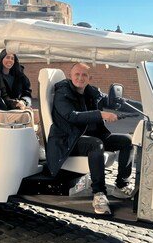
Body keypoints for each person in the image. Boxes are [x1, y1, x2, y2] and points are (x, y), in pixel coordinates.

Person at [46, 62, 135, 216]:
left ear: (90, 78)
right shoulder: (63, 93)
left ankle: (121, 186)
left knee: (127, 141)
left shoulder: (92, 92)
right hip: (68, 139)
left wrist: (144, 107)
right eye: (77, 74)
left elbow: (115, 102)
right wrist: (101, 114)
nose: (80, 78)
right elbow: (72, 116)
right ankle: (99, 194)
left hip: (91, 136)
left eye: (84, 75)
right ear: (70, 76)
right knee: (96, 144)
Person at [0, 49, 45, 159]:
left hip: (21, 107)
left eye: (12, 58)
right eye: (7, 57)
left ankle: (42, 146)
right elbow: (1, 97)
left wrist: (23, 102)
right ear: (1, 59)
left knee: (41, 116)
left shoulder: (20, 75)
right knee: (27, 115)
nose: (9, 60)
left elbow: (27, 92)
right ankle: (30, 148)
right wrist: (15, 104)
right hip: (5, 109)